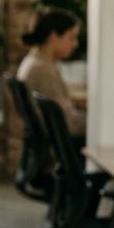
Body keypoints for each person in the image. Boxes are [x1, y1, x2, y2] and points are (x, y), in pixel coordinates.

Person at [17, 7, 85, 138]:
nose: (75, 44)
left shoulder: (36, 61)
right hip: (63, 142)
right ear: (54, 37)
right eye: (71, 38)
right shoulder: (43, 70)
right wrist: (99, 123)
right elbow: (68, 123)